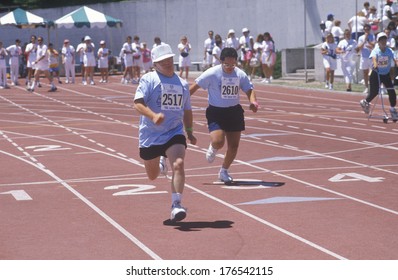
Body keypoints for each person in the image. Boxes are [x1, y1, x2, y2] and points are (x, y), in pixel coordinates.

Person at [133, 44, 197, 222]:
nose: (168, 63)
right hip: (150, 135)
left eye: (169, 59)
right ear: (155, 64)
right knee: (152, 176)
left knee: (178, 163)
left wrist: (190, 131)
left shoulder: (182, 84)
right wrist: (153, 116)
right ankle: (161, 160)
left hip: (174, 132)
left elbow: (187, 110)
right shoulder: (149, 79)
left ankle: (176, 205)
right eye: (163, 61)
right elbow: (137, 103)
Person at [189, 47, 258, 183]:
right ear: (221, 62)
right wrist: (182, 102)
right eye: (227, 65)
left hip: (234, 112)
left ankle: (224, 171)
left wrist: (253, 102)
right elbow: (194, 86)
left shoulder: (240, 74)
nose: (230, 68)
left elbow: (249, 89)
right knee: (218, 141)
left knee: (234, 146)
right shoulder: (212, 73)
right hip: (216, 112)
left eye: (233, 64)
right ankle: (213, 147)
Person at [360, 32, 398, 120]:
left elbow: (395, 58)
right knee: (374, 92)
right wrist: (375, 64)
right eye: (382, 40)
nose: (384, 41)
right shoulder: (376, 50)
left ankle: (392, 109)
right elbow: (373, 58)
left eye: (385, 39)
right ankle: (365, 101)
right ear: (378, 41)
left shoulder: (389, 51)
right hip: (376, 74)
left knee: (392, 91)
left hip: (386, 74)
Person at [355, 24, 375, 93]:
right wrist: (364, 40)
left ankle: (373, 87)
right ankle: (366, 87)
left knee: (373, 73)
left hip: (371, 57)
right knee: (365, 72)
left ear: (370, 29)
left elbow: (374, 45)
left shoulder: (373, 36)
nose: (366, 30)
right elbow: (359, 47)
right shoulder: (361, 37)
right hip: (364, 57)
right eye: (365, 29)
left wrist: (368, 41)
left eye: (368, 29)